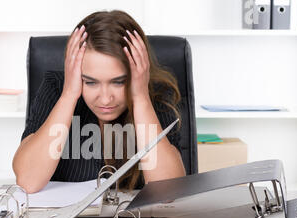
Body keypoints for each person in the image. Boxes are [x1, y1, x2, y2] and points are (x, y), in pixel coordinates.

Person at [13, 10, 186, 194]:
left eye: (119, 82)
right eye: (90, 82)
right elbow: (28, 182)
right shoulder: (57, 89)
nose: (105, 99)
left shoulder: (155, 95)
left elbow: (169, 193)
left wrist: (140, 99)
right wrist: (69, 95)